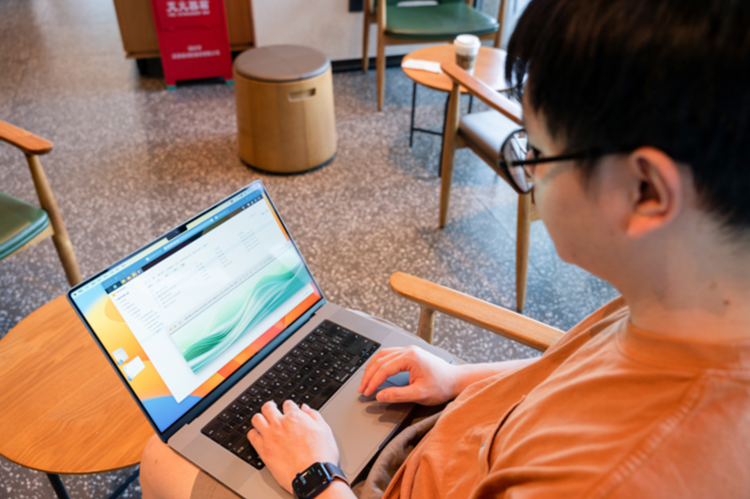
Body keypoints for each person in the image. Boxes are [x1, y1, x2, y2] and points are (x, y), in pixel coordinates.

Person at [140, 0, 750, 497]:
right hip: (452, 429)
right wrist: (457, 377)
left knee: (161, 455)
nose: (528, 173)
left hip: (370, 481)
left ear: (646, 191)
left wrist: (315, 476)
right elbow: (572, 370)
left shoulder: (615, 477)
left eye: (536, 151)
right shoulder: (687, 297)